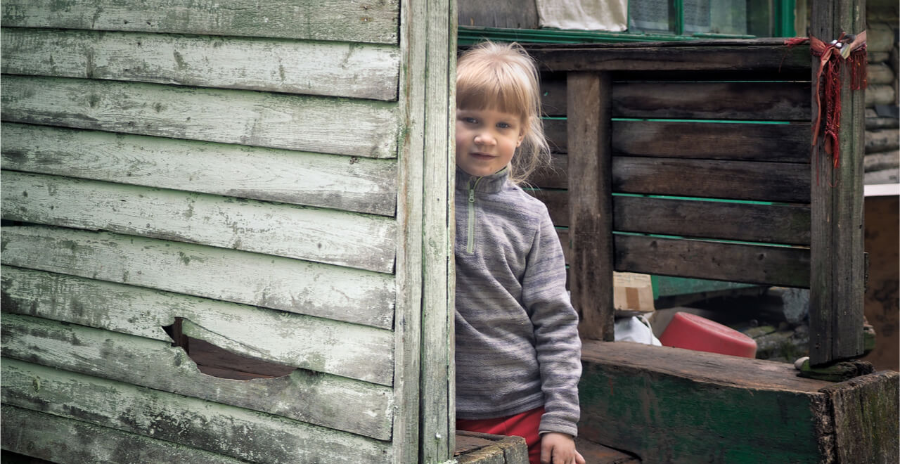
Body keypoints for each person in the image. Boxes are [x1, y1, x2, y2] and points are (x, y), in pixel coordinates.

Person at [453, 41, 585, 464]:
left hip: (521, 411)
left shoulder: (531, 218)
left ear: (522, 131)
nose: (484, 137)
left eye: (503, 126)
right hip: (436, 408)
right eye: (469, 119)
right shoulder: (420, 198)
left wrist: (561, 422)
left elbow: (555, 322)